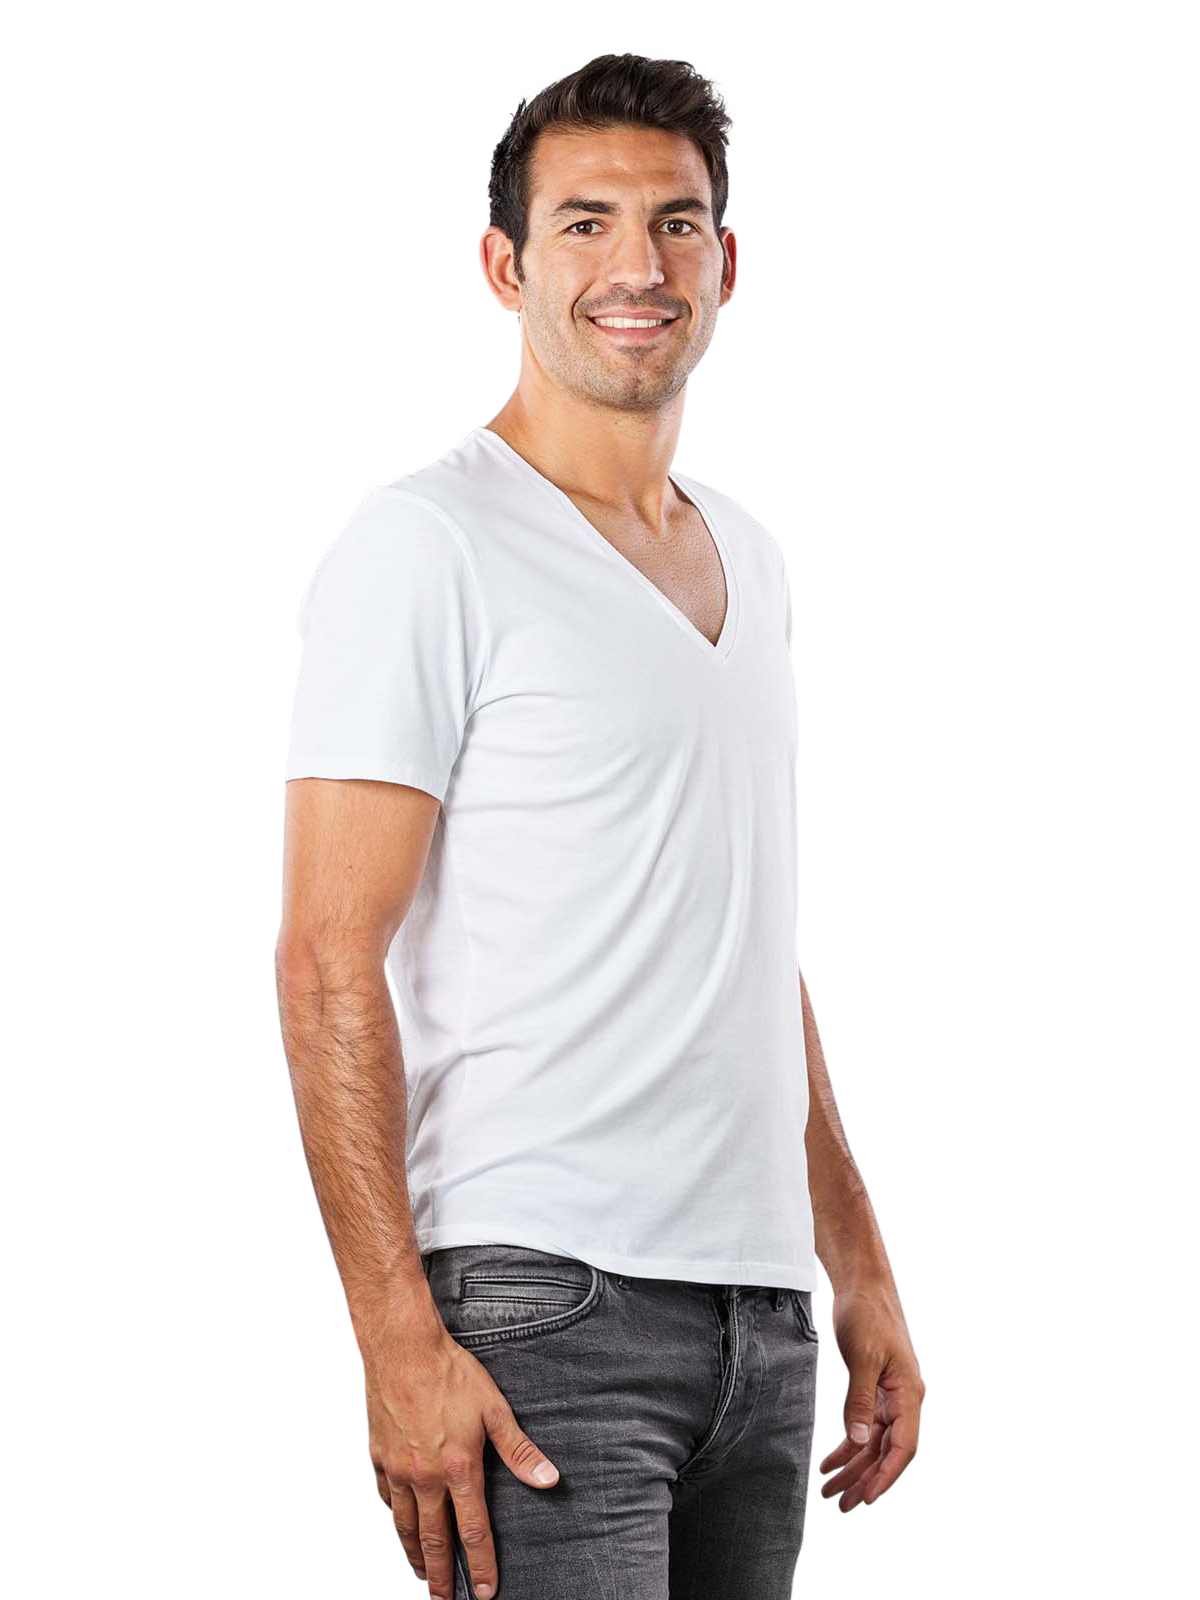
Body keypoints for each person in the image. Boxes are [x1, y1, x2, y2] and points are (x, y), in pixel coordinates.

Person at [275, 50, 925, 1600]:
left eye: (674, 222)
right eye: (585, 223)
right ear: (506, 265)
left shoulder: (754, 562)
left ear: (725, 262)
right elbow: (324, 956)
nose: (637, 265)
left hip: (759, 1321)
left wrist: (856, 1264)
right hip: (544, 1309)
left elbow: (749, 945)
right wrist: (394, 1339)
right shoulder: (426, 544)